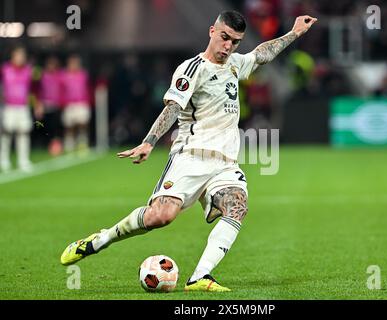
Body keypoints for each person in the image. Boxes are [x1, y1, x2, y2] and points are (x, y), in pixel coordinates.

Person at [60, 11, 317, 292]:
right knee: (161, 217)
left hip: (225, 163)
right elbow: (173, 107)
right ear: (211, 32)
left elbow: (262, 54)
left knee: (238, 205)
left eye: (235, 41)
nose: (229, 46)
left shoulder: (234, 64)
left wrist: (294, 33)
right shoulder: (192, 69)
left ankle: (200, 277)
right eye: (225, 38)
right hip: (190, 157)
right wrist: (149, 141)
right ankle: (100, 240)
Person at [0, 47, 43, 172]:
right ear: (12, 56)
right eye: (18, 55)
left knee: (23, 132)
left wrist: (37, 104)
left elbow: (35, 89)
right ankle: (4, 160)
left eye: (22, 56)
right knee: (6, 132)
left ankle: (23, 160)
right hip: (8, 106)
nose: (20, 58)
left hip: (23, 106)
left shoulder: (29, 71)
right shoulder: (5, 69)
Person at [60, 54, 91, 153]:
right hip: (69, 104)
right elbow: (61, 90)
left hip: (81, 103)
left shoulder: (83, 74)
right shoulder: (63, 75)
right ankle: (69, 144)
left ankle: (82, 143)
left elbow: (87, 88)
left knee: (83, 124)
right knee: (69, 126)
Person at [39, 56, 64, 156]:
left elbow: (63, 90)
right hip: (45, 104)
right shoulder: (43, 75)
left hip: (56, 105)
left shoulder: (59, 76)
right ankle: (47, 143)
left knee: (56, 127)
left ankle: (55, 145)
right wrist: (39, 104)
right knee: (45, 126)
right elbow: (39, 90)